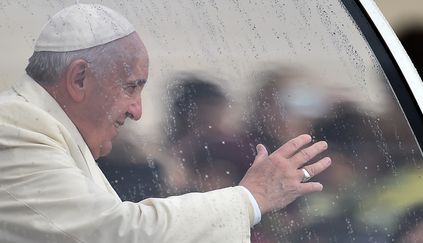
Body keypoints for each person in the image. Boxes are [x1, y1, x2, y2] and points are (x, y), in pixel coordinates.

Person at [0, 4, 331, 243]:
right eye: (131, 86)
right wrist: (251, 198)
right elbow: (113, 234)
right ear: (80, 78)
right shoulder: (14, 126)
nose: (137, 111)